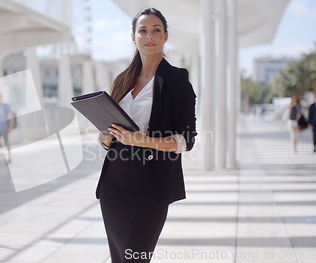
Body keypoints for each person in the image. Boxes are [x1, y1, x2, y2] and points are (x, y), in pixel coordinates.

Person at [96, 7, 197, 263]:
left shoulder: (176, 79)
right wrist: (105, 137)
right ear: (134, 37)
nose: (149, 35)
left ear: (165, 36)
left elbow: (186, 140)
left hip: (150, 186)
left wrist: (142, 141)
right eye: (142, 30)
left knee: (135, 257)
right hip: (114, 183)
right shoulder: (122, 79)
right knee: (119, 257)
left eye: (156, 30)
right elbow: (111, 131)